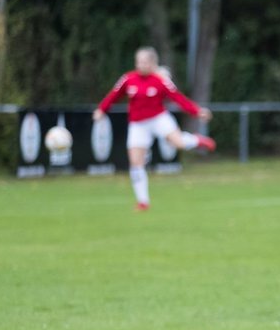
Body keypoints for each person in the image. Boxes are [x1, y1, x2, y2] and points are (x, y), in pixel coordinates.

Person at [93, 47, 217, 211]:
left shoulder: (160, 80)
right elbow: (114, 94)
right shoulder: (128, 79)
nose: (141, 65)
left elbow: (178, 97)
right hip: (138, 124)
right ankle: (143, 201)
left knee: (178, 143)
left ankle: (196, 140)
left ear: (152, 63)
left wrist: (197, 111)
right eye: (139, 62)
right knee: (136, 163)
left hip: (159, 119)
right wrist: (102, 109)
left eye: (145, 62)